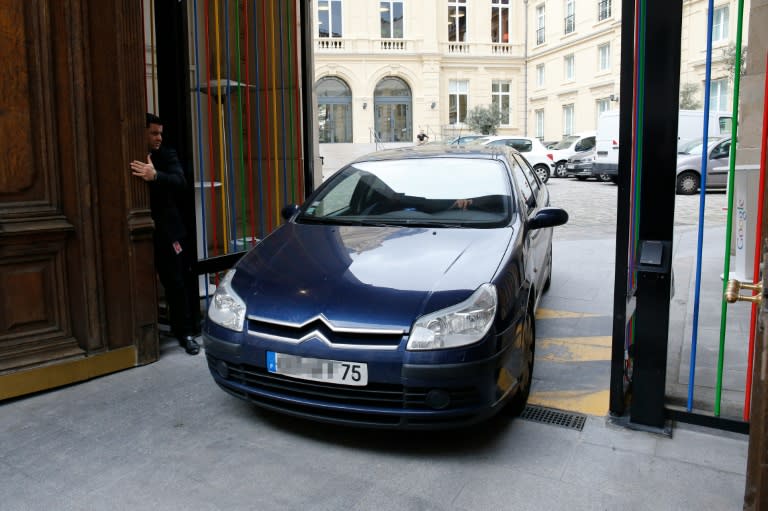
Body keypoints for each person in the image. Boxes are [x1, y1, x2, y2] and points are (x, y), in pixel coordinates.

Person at [130, 113, 200, 355]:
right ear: (141, 132)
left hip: (168, 231)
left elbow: (180, 181)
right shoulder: (128, 153)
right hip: (134, 230)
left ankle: (186, 333)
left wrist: (155, 175)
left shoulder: (166, 154)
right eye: (154, 133)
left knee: (176, 283)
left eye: (160, 133)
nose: (159, 137)